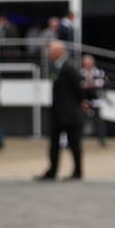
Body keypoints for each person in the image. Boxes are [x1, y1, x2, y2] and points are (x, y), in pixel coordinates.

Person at [34, 41, 88, 181]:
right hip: (57, 114)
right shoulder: (56, 67)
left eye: (52, 50)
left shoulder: (69, 68)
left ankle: (77, 171)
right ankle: (52, 171)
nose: (49, 53)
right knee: (54, 145)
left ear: (60, 52)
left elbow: (80, 88)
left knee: (74, 143)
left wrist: (81, 103)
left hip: (70, 115)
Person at [80, 54, 108, 147]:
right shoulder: (80, 73)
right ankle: (78, 139)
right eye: (86, 63)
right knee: (81, 121)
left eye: (89, 63)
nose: (87, 65)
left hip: (96, 101)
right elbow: (79, 84)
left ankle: (102, 140)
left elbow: (105, 81)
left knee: (99, 121)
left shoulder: (98, 72)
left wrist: (92, 83)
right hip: (84, 101)